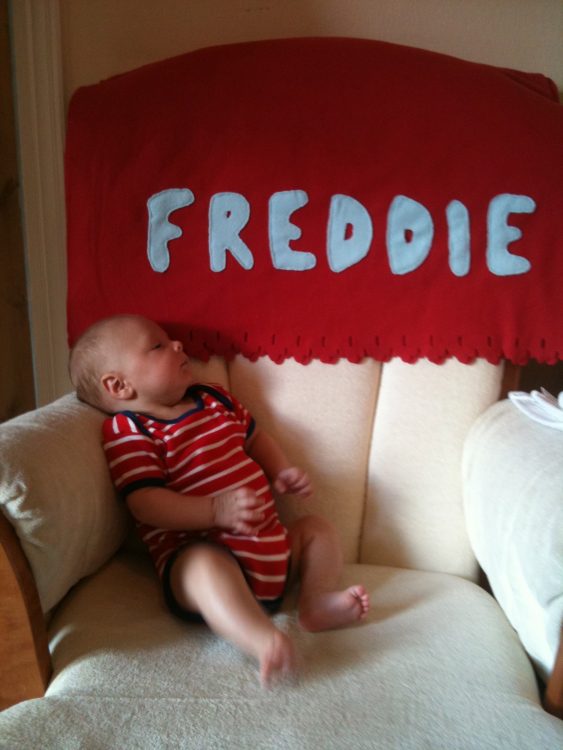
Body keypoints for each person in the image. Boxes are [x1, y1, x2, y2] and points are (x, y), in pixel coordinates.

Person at [69, 314, 369, 685]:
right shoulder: (130, 429)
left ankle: (316, 601)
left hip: (269, 548)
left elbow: (255, 439)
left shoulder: (213, 398)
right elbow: (144, 502)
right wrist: (215, 510)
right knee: (202, 565)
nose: (178, 345)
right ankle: (259, 638)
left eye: (171, 340)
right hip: (199, 550)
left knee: (317, 529)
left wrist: (281, 471)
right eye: (158, 345)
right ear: (119, 386)